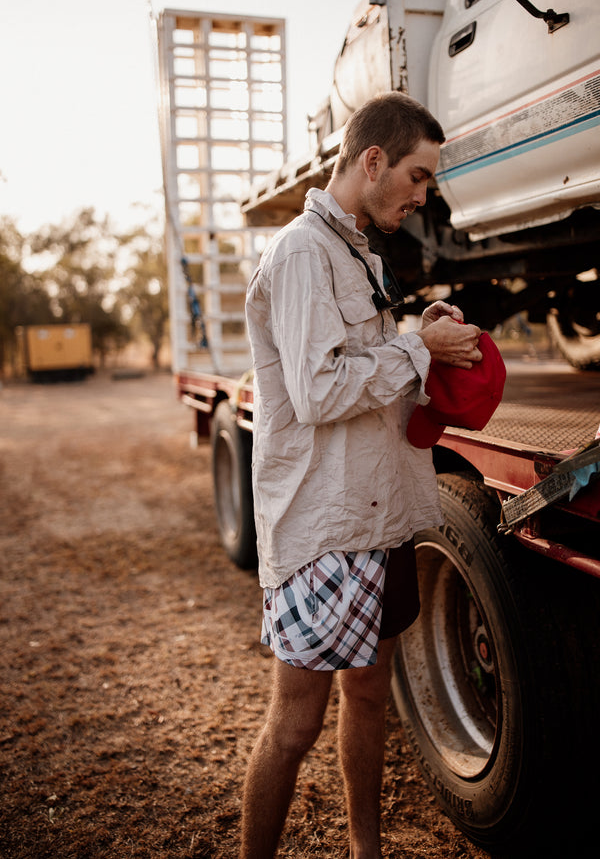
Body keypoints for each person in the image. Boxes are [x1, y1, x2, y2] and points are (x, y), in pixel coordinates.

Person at [241, 92, 482, 859]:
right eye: (416, 176)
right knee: (295, 723)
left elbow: (368, 372)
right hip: (323, 527)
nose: (421, 196)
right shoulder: (302, 252)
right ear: (372, 160)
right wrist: (418, 352)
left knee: (371, 695)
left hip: (377, 518)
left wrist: (422, 335)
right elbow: (318, 392)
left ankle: (365, 850)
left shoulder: (359, 252)